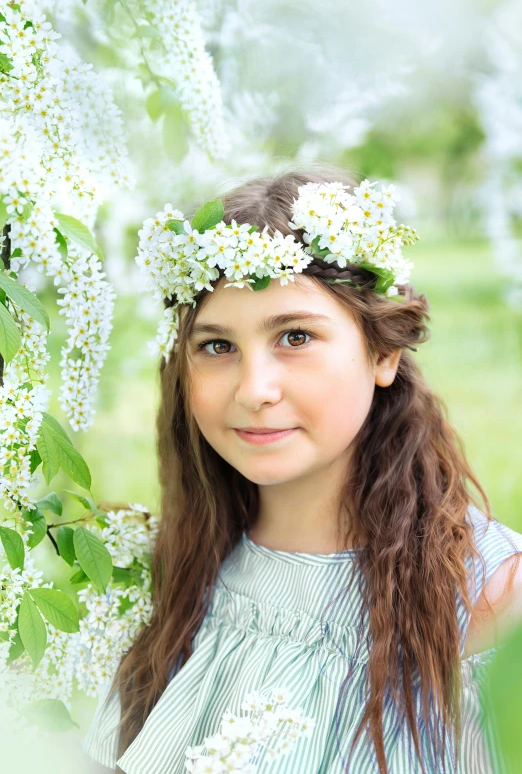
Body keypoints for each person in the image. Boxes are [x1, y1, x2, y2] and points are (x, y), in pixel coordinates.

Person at [81, 166, 522, 774]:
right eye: (217, 346)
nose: (254, 390)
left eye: (294, 336)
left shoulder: (496, 602)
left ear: (383, 351)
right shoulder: (178, 580)